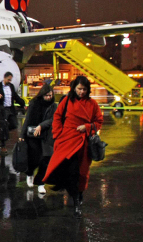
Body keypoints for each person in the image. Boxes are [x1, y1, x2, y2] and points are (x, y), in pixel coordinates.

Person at [43, 76, 103, 216]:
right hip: (67, 140)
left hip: (83, 143)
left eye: (84, 89)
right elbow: (57, 117)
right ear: (74, 88)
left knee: (81, 173)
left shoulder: (92, 104)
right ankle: (75, 199)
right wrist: (57, 135)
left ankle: (78, 195)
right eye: (79, 89)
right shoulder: (67, 101)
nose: (81, 92)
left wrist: (87, 127)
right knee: (70, 171)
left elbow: (99, 121)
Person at [19, 84, 56, 194]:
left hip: (46, 136)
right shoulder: (34, 104)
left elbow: (52, 119)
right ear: (42, 95)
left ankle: (40, 183)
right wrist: (22, 135)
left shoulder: (53, 106)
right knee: (34, 158)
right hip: (33, 136)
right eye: (47, 95)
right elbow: (28, 120)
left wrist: (41, 126)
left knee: (45, 160)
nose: (49, 97)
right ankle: (30, 173)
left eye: (51, 95)